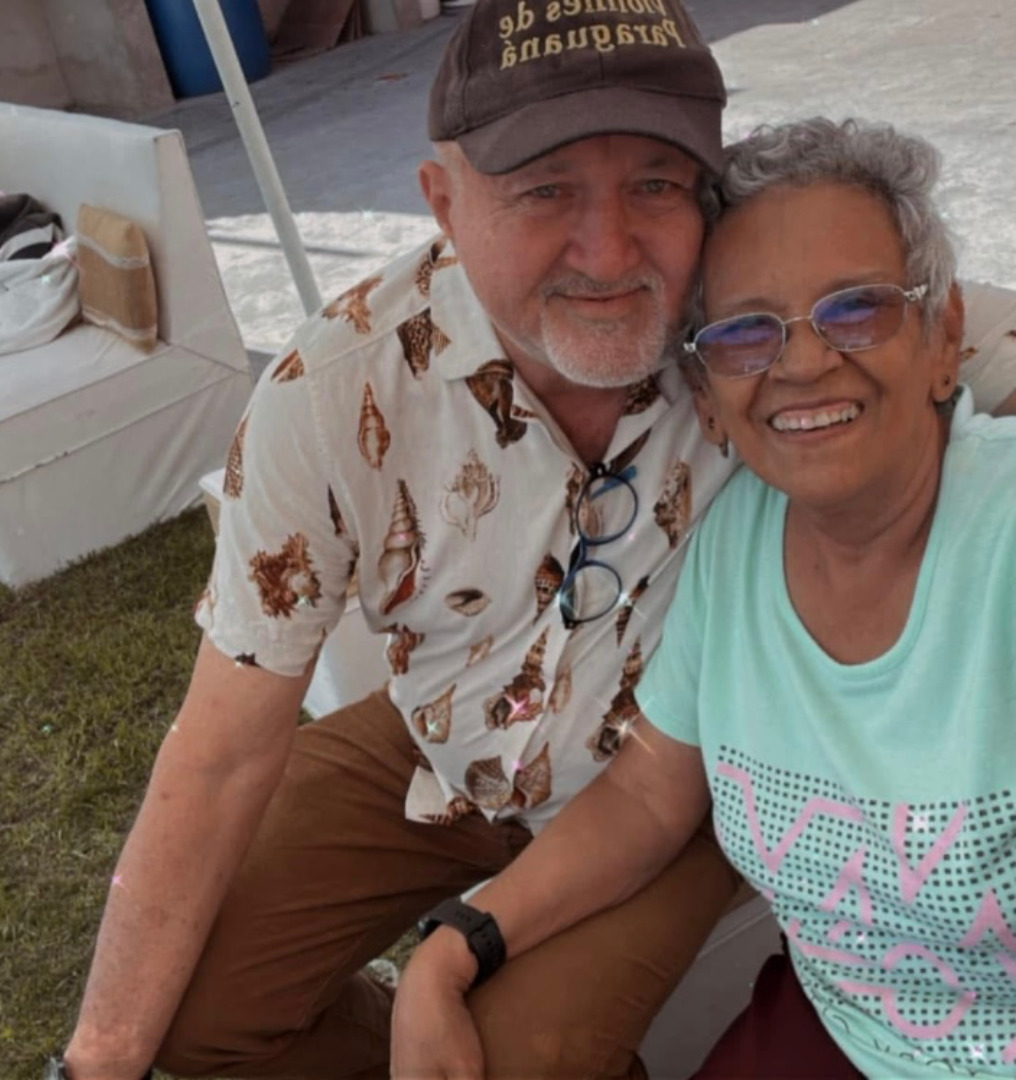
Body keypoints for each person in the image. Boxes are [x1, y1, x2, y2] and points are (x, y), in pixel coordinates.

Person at [53, 1, 1016, 1075]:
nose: (608, 253)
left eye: (655, 182)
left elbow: (932, 327)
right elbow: (221, 754)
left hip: (661, 778)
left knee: (514, 1062)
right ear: (444, 201)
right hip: (440, 736)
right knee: (195, 1007)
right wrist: (96, 1063)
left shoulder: (748, 315)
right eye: (544, 189)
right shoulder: (331, 399)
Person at [391, 116, 1016, 1079]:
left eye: (857, 309)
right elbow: (649, 792)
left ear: (945, 338)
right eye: (745, 333)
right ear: (709, 390)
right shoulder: (737, 543)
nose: (801, 363)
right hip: (844, 1028)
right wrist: (456, 944)